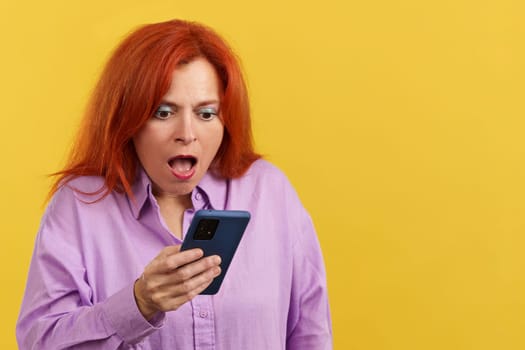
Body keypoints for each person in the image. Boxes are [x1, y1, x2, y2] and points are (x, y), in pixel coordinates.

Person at [16, 19, 332, 349]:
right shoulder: (79, 206)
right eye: (164, 112)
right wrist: (138, 304)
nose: (187, 132)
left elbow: (311, 333)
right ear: (128, 119)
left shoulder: (269, 192)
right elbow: (41, 342)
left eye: (206, 113)